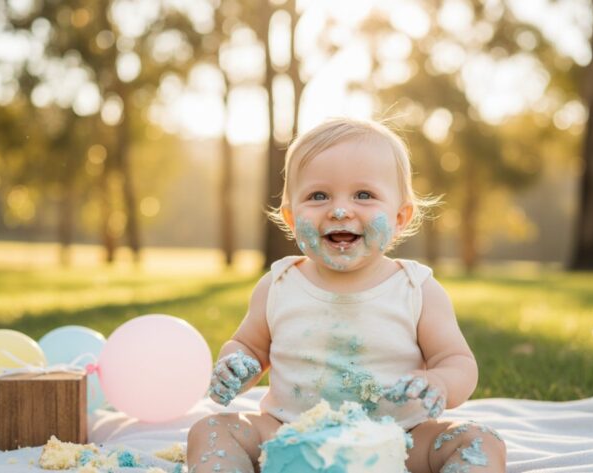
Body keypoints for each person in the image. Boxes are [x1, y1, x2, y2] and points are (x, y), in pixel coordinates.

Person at [186, 118, 506, 473]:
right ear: (291, 218)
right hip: (289, 437)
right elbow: (249, 346)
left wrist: (440, 383)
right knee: (211, 429)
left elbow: (458, 361)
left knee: (479, 440)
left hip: (399, 441)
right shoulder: (279, 285)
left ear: (400, 217)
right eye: (318, 196)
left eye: (364, 195)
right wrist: (236, 364)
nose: (339, 210)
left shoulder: (416, 289)